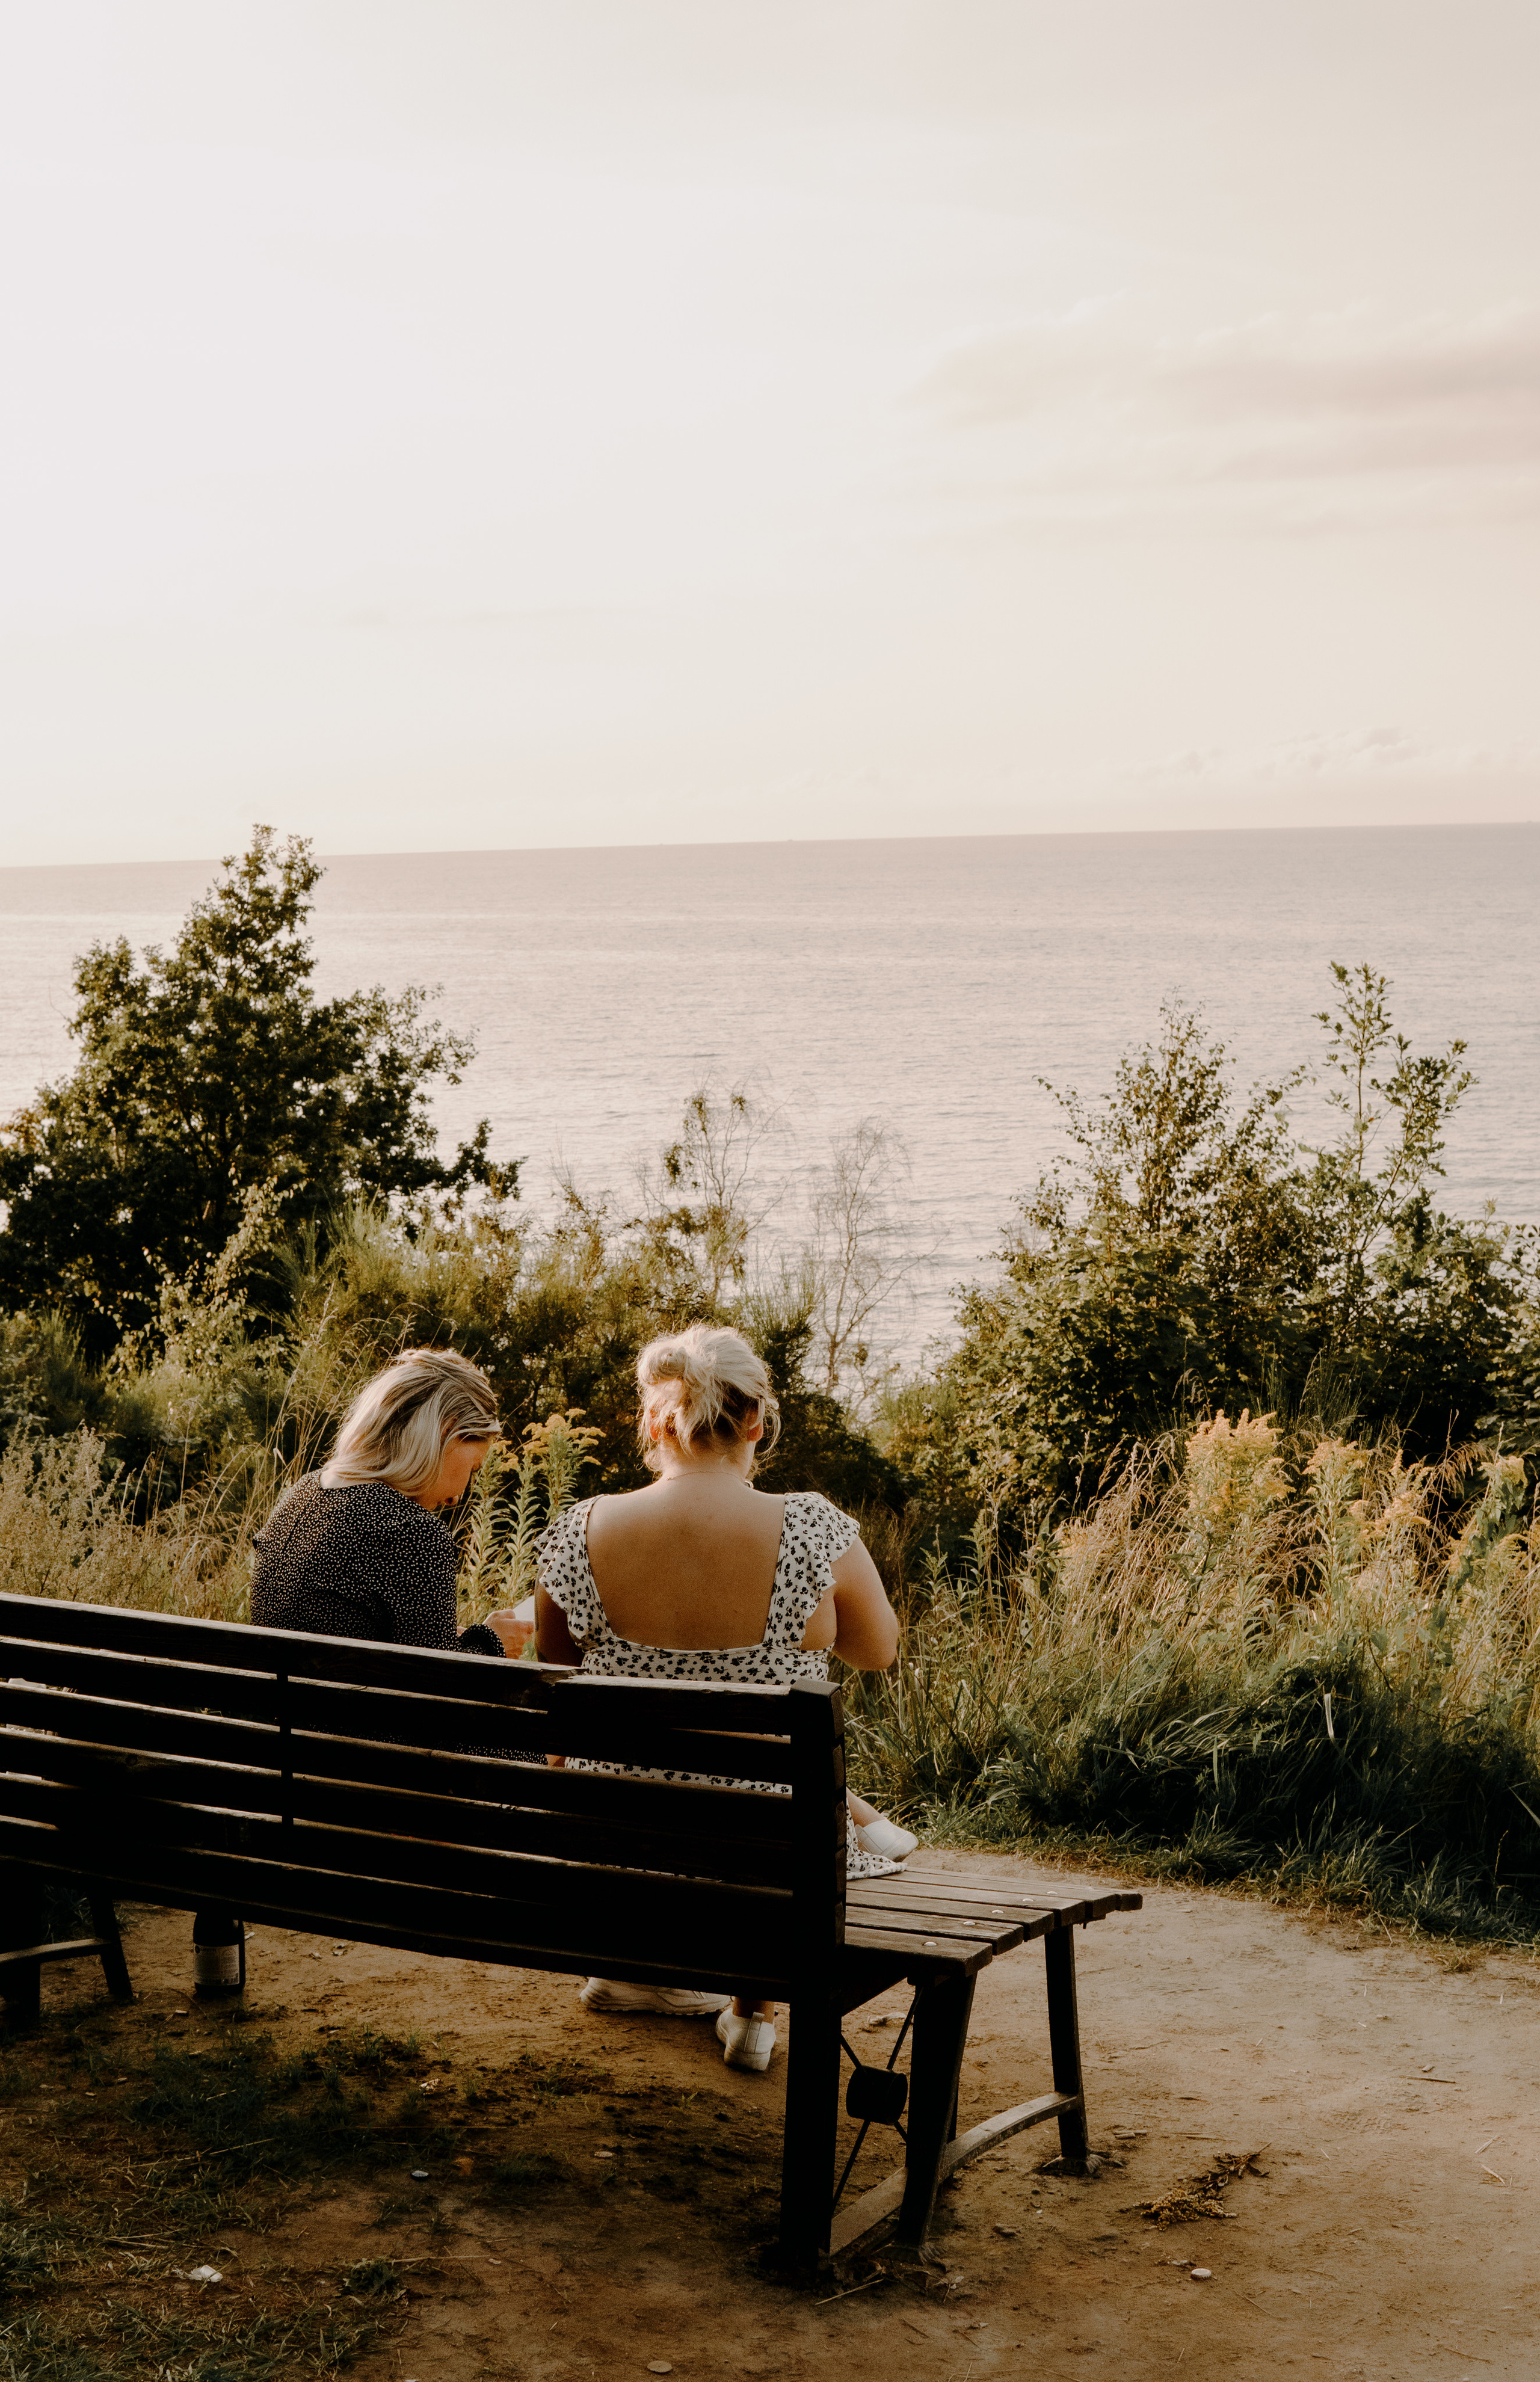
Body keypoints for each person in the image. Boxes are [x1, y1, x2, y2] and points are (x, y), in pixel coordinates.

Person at [535, 1324, 913, 2077]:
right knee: (771, 1799)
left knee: (643, 1786)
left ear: (653, 1422)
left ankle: (628, 1964)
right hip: (768, 1850)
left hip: (612, 1841)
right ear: (755, 1424)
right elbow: (878, 1651)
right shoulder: (808, 1525)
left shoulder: (580, 1528)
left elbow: (557, 1673)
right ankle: (751, 2010)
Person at [251, 1346, 525, 1656]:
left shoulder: (300, 1495)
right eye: (473, 1467)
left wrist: (448, 1637)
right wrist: (493, 1642)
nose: (458, 1495)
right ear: (447, 1432)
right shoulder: (412, 1533)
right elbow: (443, 1690)